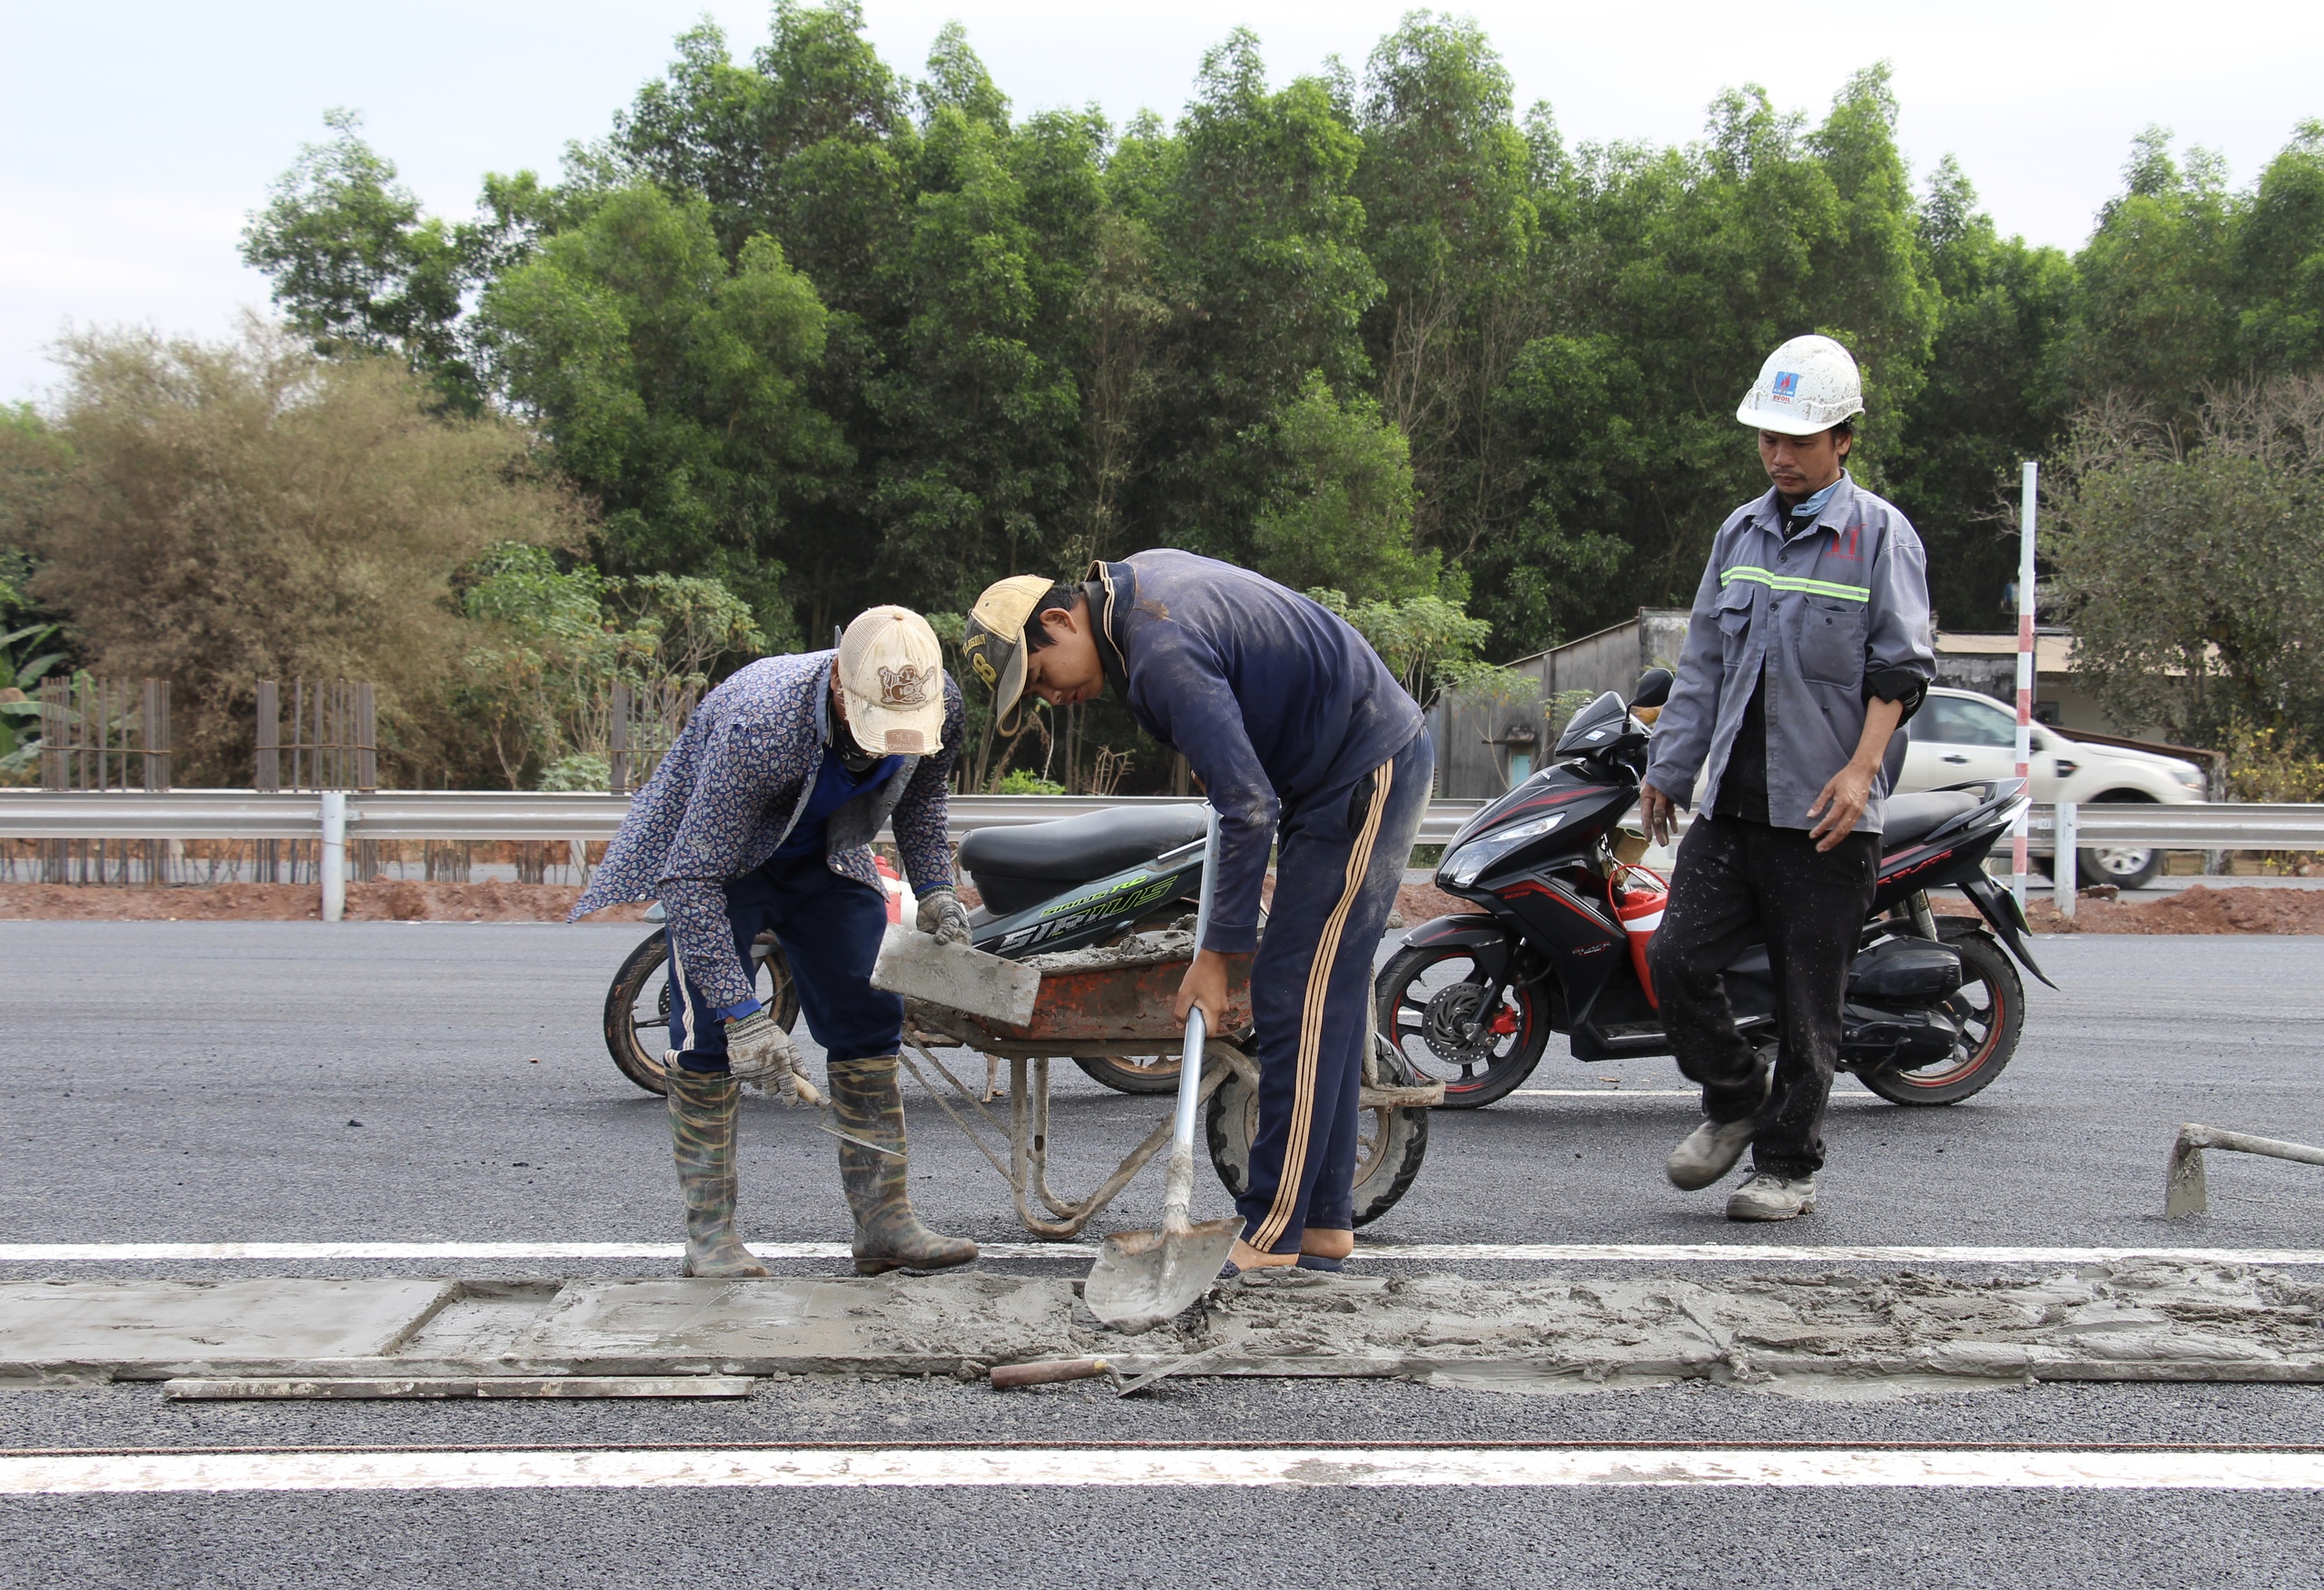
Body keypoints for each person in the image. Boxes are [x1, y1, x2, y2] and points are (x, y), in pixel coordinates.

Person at [960, 554, 1432, 1276]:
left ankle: (1273, 1233)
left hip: (1366, 765)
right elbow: (1236, 792)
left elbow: (1247, 807)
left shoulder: (1158, 648)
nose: (1052, 698)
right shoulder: (1136, 608)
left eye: (1042, 676)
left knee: (1295, 994)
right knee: (1316, 993)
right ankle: (1325, 1222)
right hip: (1333, 774)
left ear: (1058, 620)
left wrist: (1214, 958)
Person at [571, 608, 979, 1278]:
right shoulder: (760, 725)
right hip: (721, 862)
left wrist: (936, 888)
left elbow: (922, 800)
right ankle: (711, 1237)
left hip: (824, 849)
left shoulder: (940, 701)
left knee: (869, 1008)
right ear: (844, 691)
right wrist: (744, 1015)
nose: (886, 744)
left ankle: (884, 1223)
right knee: (705, 1032)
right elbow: (691, 877)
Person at [1639, 334, 1935, 1221]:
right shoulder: (1740, 530)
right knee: (1674, 957)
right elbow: (1702, 662)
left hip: (1825, 814)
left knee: (1811, 1006)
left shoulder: (1878, 536)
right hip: (1730, 805)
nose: (1780, 455)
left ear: (1842, 438)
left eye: (1798, 440)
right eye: (1769, 438)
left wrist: (1860, 769)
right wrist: (1669, 765)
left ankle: (1787, 1167)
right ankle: (1733, 1095)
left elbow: (1901, 669)